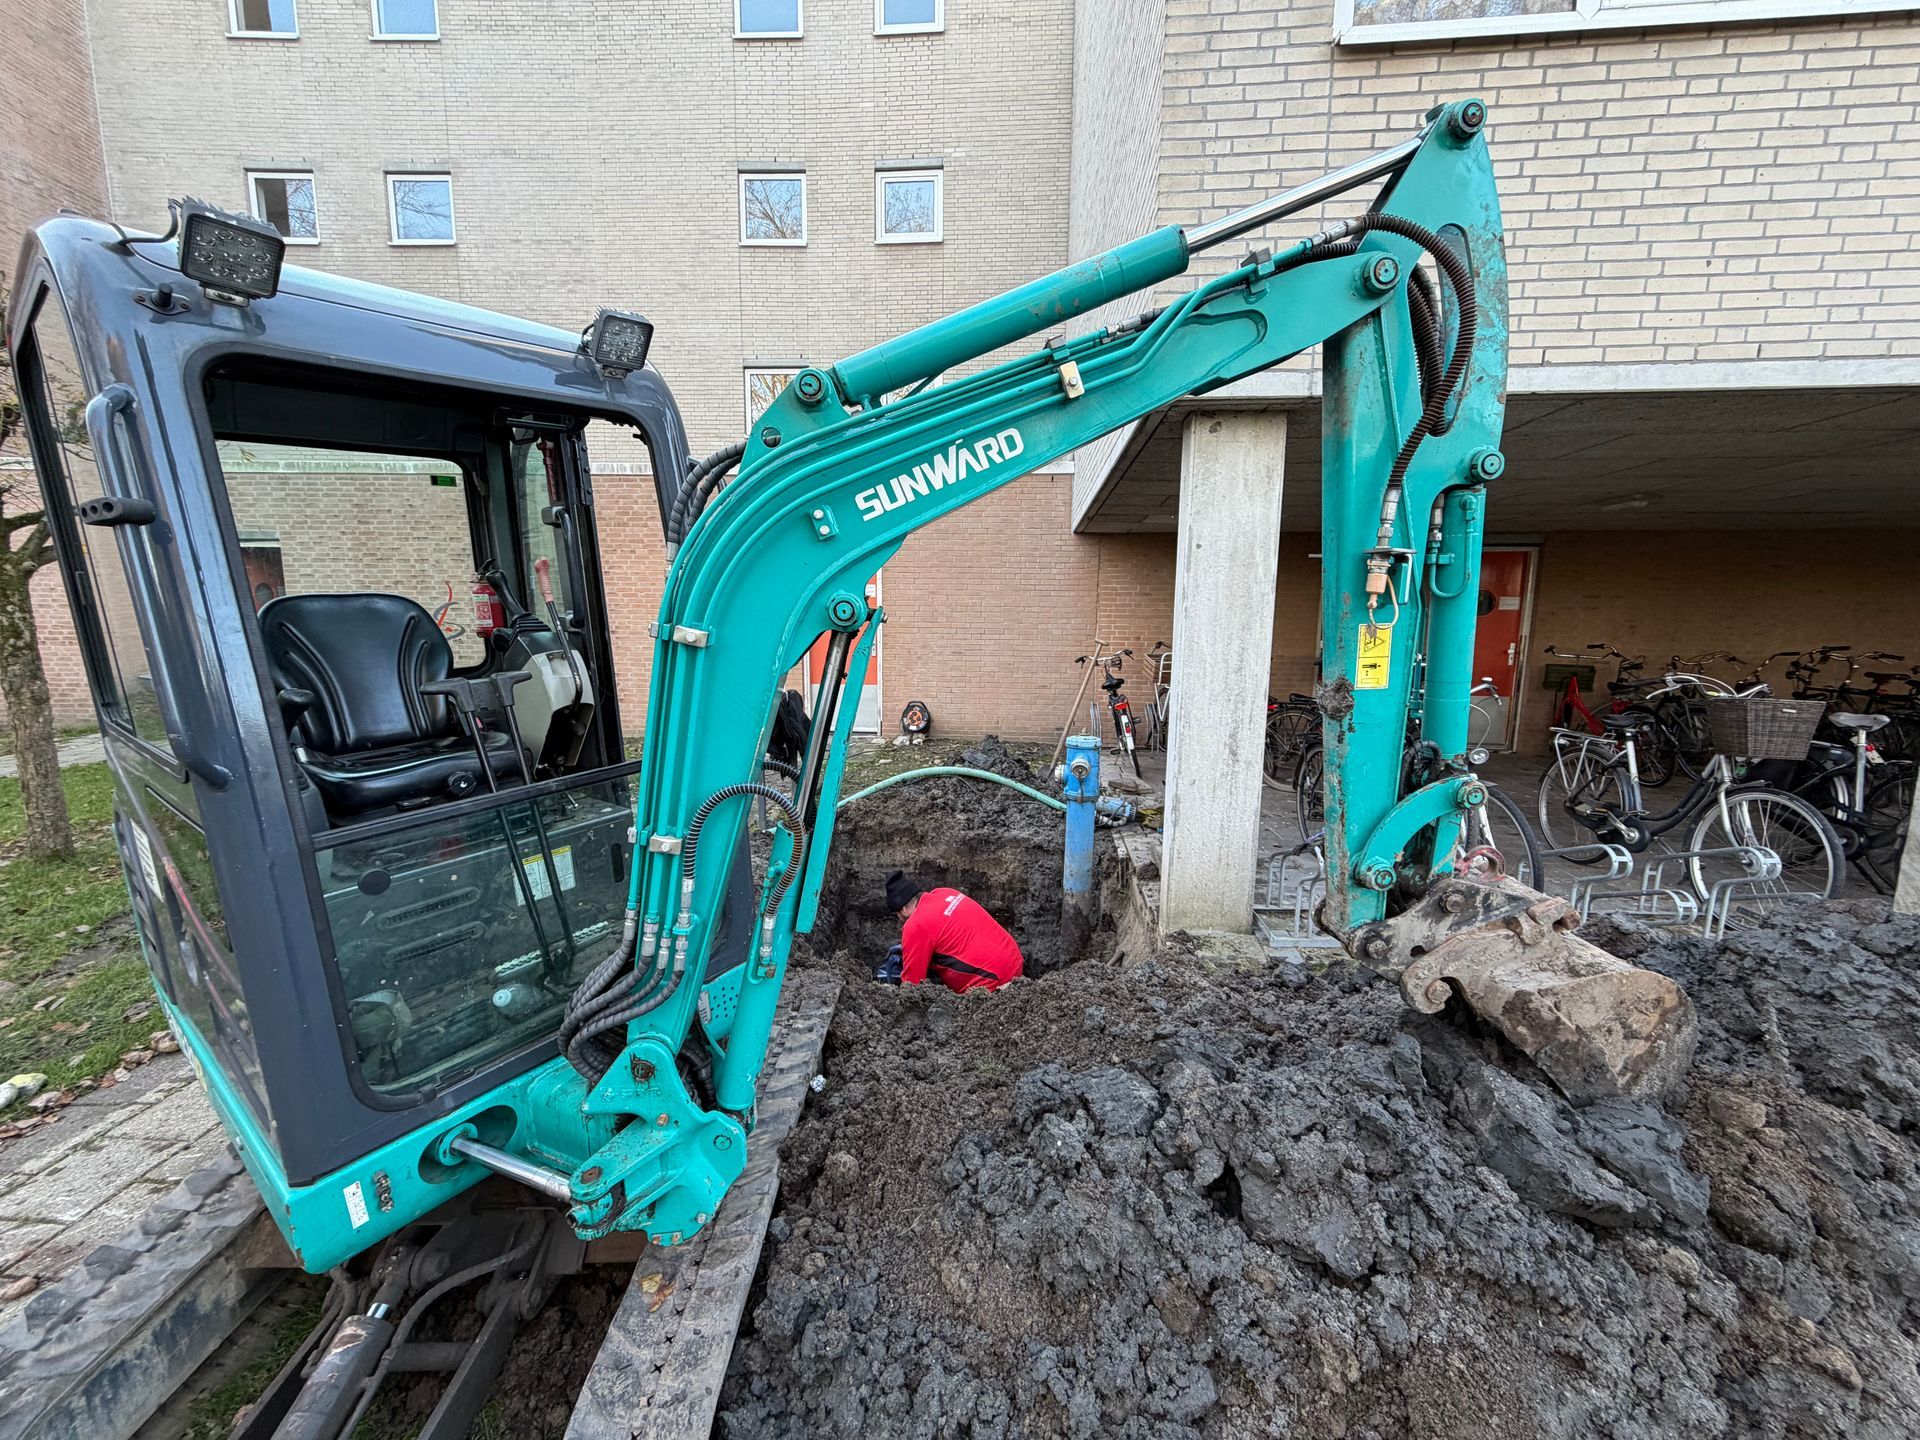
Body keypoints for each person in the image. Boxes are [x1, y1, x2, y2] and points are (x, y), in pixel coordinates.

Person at [877, 870, 1023, 993]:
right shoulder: (945, 893)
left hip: (993, 986)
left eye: (897, 914)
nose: (900, 919)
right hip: (1016, 966)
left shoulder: (916, 925)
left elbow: (912, 986)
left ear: (902, 909)